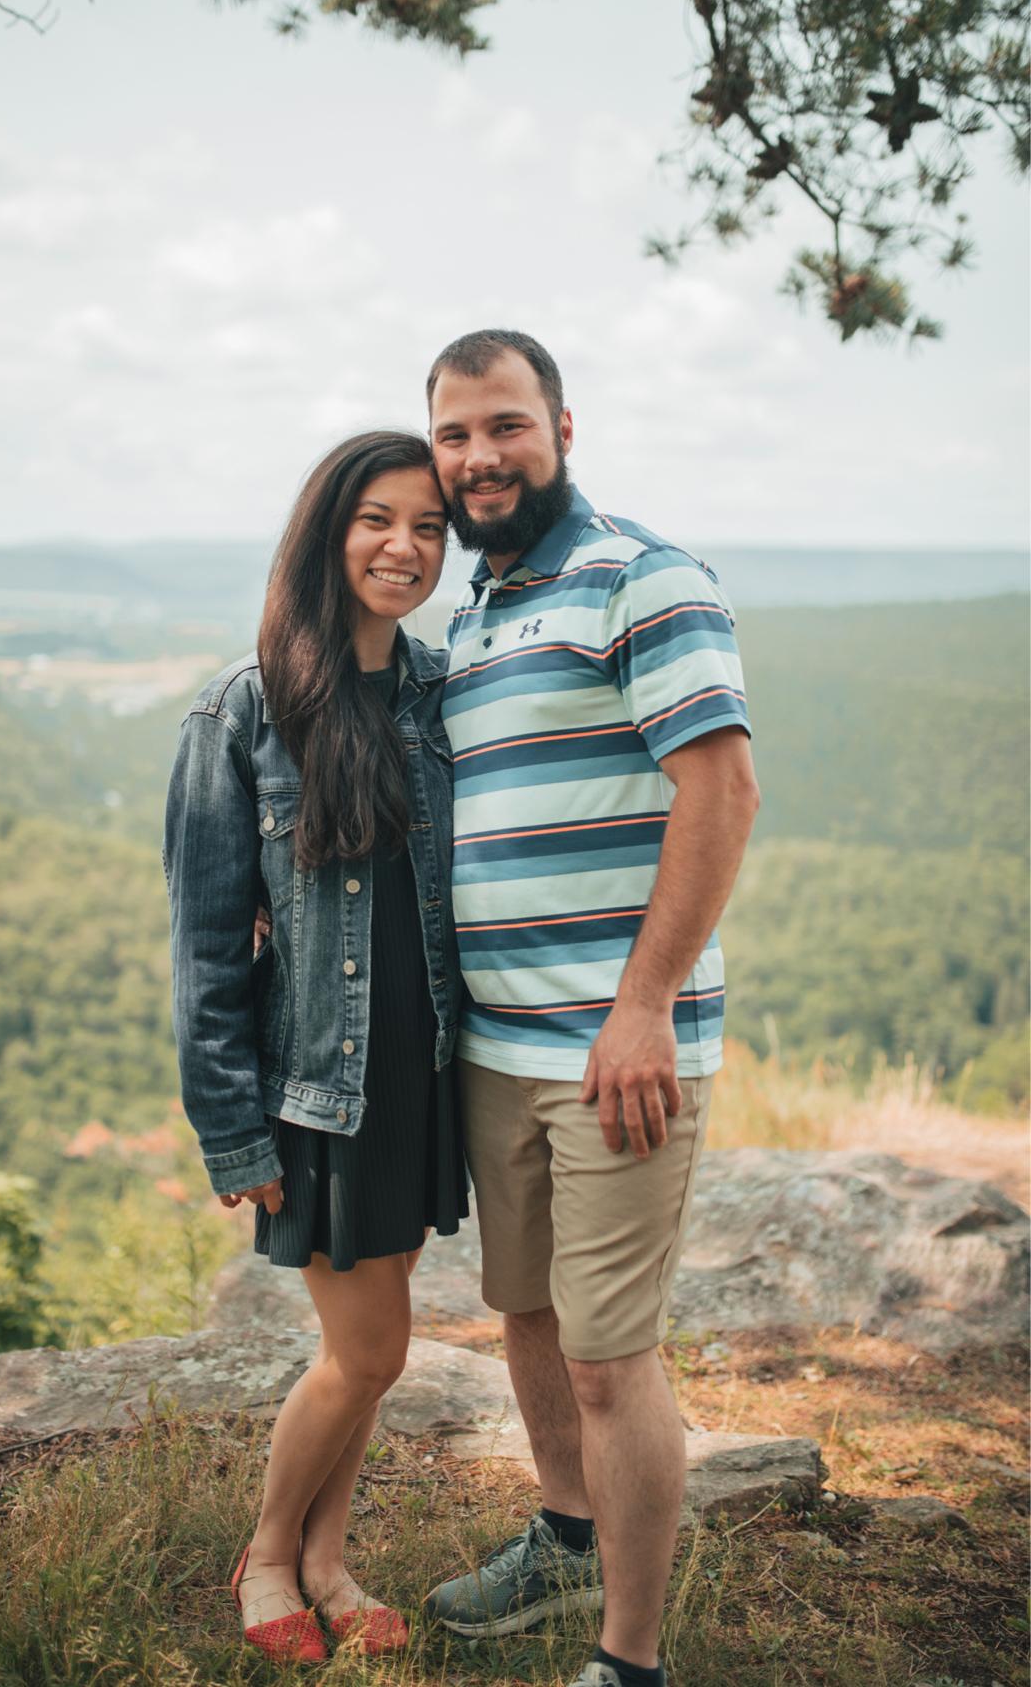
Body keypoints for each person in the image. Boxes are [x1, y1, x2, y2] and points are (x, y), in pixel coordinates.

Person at [424, 331, 760, 1687]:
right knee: (528, 1315)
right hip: (495, 1050)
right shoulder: (474, 613)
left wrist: (644, 1007)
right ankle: (567, 1541)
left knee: (612, 1358)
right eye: (455, 435)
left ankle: (630, 1662)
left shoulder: (642, 576)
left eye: (505, 425)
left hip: (618, 1051)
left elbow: (720, 791)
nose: (480, 457)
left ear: (563, 427)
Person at [164, 430, 467, 1664]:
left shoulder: (443, 692)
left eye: (430, 527)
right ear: (327, 534)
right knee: (372, 1348)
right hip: (319, 1088)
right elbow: (203, 948)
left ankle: (330, 1563)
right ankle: (269, 1555)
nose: (405, 547)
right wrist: (232, 1131)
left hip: (424, 1072)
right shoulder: (242, 710)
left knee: (369, 1354)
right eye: (377, 520)